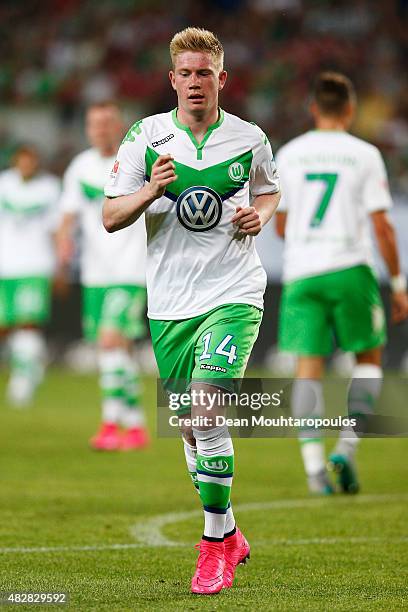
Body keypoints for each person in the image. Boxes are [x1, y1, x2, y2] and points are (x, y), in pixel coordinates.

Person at [103, 27, 280, 595]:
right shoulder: (146, 138)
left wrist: (261, 213)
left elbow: (269, 189)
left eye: (206, 72)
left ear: (221, 79)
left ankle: (211, 548)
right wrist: (150, 192)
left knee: (206, 412)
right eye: (187, 73)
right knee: (189, 428)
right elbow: (110, 217)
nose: (196, 82)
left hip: (234, 291)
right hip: (170, 303)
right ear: (172, 79)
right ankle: (228, 528)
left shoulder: (250, 139)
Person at [275, 72, 408, 495]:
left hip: (302, 274)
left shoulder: (290, 154)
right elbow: (383, 226)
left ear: (313, 108)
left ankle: (313, 468)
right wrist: (400, 283)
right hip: (351, 268)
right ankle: (346, 449)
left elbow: (279, 224)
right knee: (368, 359)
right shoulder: (364, 154)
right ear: (350, 110)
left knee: (307, 368)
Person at [57, 102, 149, 451]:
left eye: (106, 123)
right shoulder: (79, 167)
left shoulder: (135, 161)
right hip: (95, 273)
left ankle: (110, 425)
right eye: (93, 124)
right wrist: (63, 246)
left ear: (119, 126)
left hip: (129, 271)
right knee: (115, 351)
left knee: (110, 342)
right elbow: (68, 215)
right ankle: (137, 427)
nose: (99, 130)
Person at [0, 145, 60, 406]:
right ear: (15, 161)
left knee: (28, 322)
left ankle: (23, 379)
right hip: (5, 266)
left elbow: (57, 228)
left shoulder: (49, 188)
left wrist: (60, 265)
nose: (26, 165)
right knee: (6, 325)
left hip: (36, 265)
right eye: (22, 160)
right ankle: (32, 363)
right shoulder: (4, 184)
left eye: (31, 161)